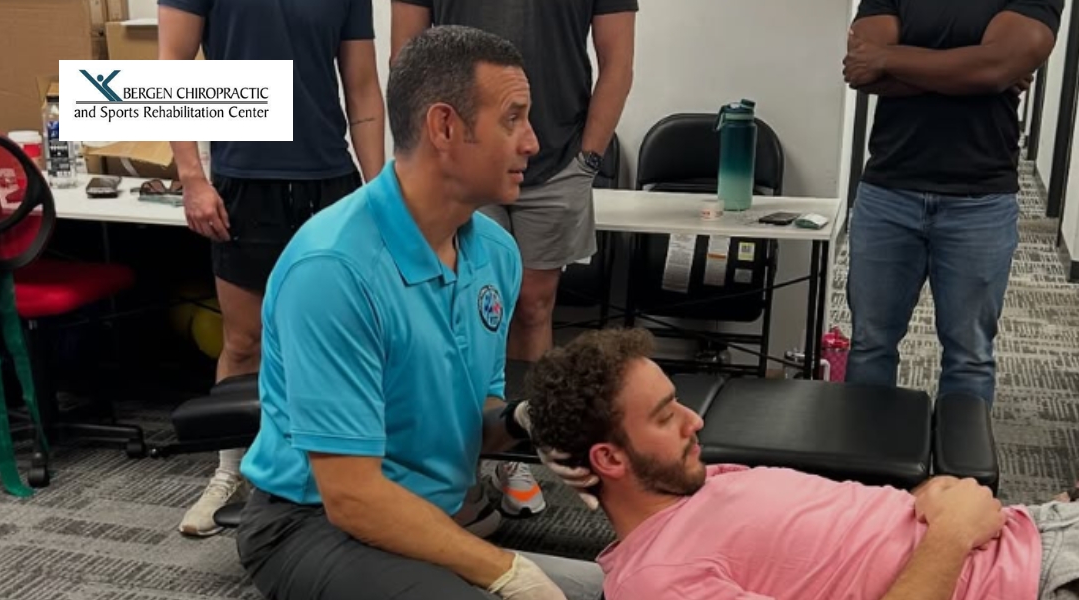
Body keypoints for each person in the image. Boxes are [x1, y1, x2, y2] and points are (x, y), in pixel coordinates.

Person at [234, 25, 602, 600]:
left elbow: (469, 414)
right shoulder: (334, 268)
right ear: (445, 127)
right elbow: (352, 496)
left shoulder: (495, 253)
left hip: (433, 515)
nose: (532, 142)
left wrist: (522, 420)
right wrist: (504, 570)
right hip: (313, 524)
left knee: (608, 588)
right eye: (513, 119)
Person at [522, 327, 1079, 600]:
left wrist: (926, 500)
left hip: (1027, 526)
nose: (695, 421)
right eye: (667, 417)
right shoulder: (658, 581)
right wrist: (952, 533)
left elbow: (836, 538)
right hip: (1029, 580)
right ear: (610, 458)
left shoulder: (703, 482)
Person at [388, 0, 637, 519]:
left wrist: (588, 158)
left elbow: (618, 61)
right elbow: (405, 59)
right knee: (458, 304)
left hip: (558, 160)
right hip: (463, 156)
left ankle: (514, 450)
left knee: (531, 306)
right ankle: (451, 455)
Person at [157, 0, 386, 536]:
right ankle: (230, 473)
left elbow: (363, 90)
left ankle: (339, 478)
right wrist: (193, 178)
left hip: (330, 181)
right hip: (246, 183)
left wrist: (380, 194)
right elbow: (172, 63)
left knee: (342, 341)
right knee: (244, 341)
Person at [840, 0, 1062, 405]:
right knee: (870, 344)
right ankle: (865, 468)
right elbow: (861, 71)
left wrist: (890, 58)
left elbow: (994, 69)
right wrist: (976, 71)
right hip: (889, 192)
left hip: (980, 203)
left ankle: (960, 470)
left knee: (969, 356)